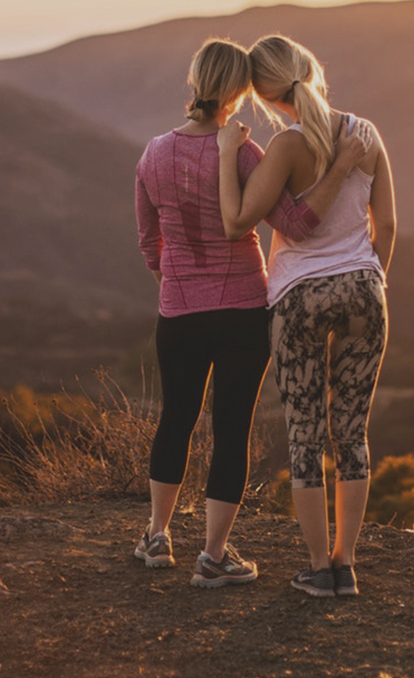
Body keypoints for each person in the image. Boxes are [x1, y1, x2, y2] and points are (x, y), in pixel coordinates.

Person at [133, 38, 367, 588]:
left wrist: (174, 279)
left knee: (176, 419)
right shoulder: (244, 154)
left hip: (180, 311)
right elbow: (295, 223)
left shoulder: (153, 154)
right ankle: (214, 556)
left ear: (194, 84)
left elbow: (148, 239)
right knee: (231, 429)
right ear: (239, 93)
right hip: (242, 310)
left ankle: (157, 536)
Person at [216, 34, 395, 598]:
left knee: (306, 434)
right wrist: (371, 279)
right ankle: (347, 564)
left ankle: (319, 567)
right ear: (312, 69)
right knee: (352, 431)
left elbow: (251, 218)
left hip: (299, 299)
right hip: (366, 290)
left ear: (267, 98)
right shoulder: (365, 134)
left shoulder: (287, 149)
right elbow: (386, 226)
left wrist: (226, 155)